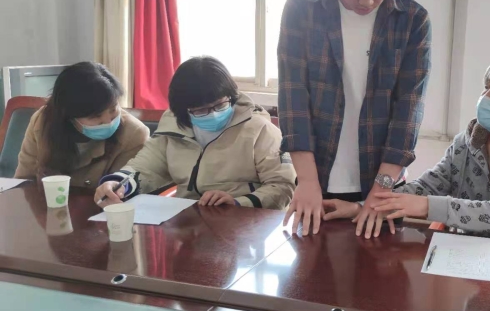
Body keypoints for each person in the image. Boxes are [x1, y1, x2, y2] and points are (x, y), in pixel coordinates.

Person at [278, 0, 431, 237]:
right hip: (316, 178)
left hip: (381, 183)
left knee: (380, 265)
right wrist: (307, 180)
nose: (367, 0)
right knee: (308, 265)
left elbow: (409, 110)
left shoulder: (412, 20)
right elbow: (293, 98)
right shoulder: (302, 8)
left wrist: (382, 190)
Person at [326, 55, 490, 243]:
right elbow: (429, 185)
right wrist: (361, 208)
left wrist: (426, 206)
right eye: (486, 87)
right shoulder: (466, 143)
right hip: (469, 255)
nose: (484, 96)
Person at [94, 56, 296, 209]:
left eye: (220, 105)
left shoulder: (259, 129)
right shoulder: (173, 126)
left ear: (231, 96)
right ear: (183, 111)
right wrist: (117, 182)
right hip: (189, 220)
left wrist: (239, 202)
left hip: (246, 222)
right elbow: (145, 167)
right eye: (200, 110)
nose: (213, 114)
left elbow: (282, 186)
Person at [15, 62, 149, 187]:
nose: (108, 121)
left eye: (113, 109)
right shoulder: (43, 122)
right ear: (69, 116)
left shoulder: (134, 134)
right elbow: (24, 181)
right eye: (96, 116)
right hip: (47, 203)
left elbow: (122, 189)